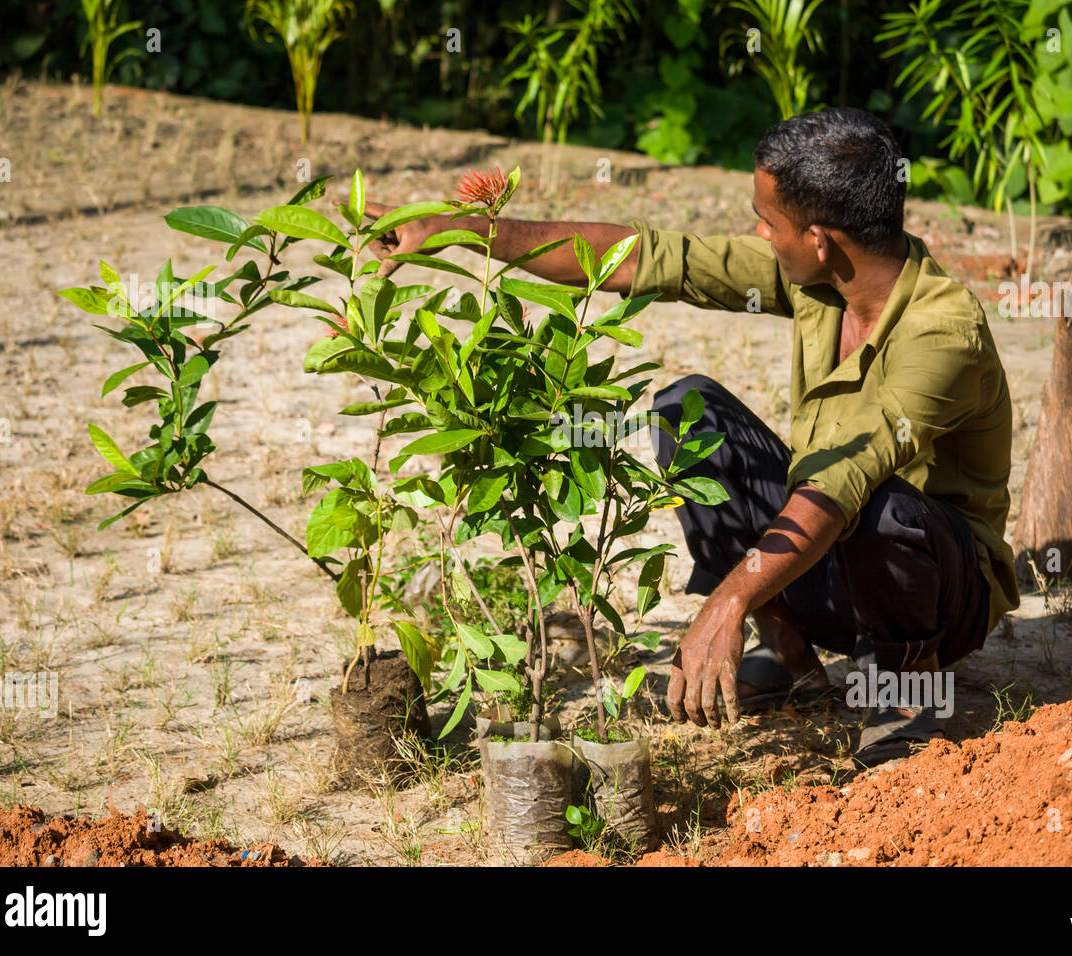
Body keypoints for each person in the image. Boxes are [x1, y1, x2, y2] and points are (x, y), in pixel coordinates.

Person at [366, 107, 1019, 764]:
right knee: (687, 409)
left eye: (770, 221)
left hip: (933, 591)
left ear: (821, 238)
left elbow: (841, 483)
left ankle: (904, 699)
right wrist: (465, 230)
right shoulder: (826, 279)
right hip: (826, 565)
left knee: (880, 502)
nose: (759, 232)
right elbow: (651, 258)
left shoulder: (942, 332)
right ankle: (794, 664)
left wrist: (730, 597)